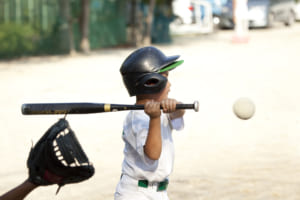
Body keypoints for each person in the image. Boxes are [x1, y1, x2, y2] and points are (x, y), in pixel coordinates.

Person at [114, 46, 185, 200]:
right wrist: (154, 118)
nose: (170, 85)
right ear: (152, 82)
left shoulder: (159, 108)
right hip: (136, 193)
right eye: (165, 78)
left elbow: (178, 117)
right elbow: (153, 154)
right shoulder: (138, 117)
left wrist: (175, 107)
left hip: (158, 192)